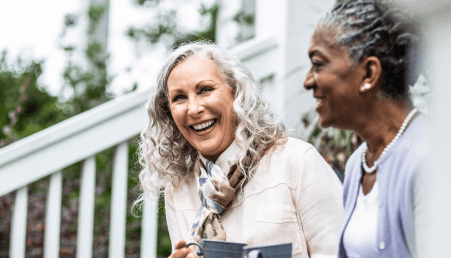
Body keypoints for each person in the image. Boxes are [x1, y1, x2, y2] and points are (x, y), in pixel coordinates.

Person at [137, 42, 344, 258]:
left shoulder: (297, 162)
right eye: (179, 97)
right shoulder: (178, 190)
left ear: (235, 93)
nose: (194, 108)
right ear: (169, 112)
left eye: (205, 90)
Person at [303, 0, 428, 257]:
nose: (307, 81)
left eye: (318, 64)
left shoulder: (428, 154)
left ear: (369, 73)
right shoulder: (357, 164)